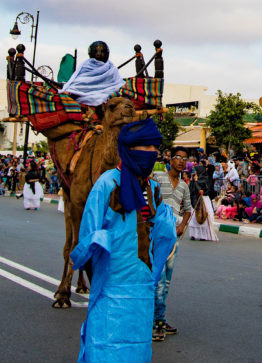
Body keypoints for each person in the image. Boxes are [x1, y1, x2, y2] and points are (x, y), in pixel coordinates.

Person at [70, 118, 175, 361]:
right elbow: (87, 239)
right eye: (146, 147)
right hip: (110, 288)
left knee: (137, 349)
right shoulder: (106, 184)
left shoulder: (153, 189)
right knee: (105, 349)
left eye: (155, 148)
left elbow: (162, 235)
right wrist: (100, 277)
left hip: (142, 292)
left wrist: (152, 276)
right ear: (129, 149)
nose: (152, 153)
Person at [151, 146, 194, 341]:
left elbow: (188, 209)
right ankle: (156, 321)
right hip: (156, 233)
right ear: (170, 159)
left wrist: (182, 226)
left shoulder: (184, 186)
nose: (180, 161)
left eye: (184, 159)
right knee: (157, 280)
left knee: (166, 281)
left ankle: (159, 318)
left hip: (173, 236)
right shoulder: (158, 177)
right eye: (177, 157)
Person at [60, 41, 124, 107]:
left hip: (102, 97)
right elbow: (80, 83)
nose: (99, 54)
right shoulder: (87, 66)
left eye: (102, 51)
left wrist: (71, 91)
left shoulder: (111, 68)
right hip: (91, 98)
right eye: (98, 52)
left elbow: (117, 84)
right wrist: (71, 91)